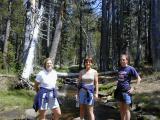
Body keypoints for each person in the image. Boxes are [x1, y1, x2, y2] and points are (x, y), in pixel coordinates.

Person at [114, 54, 141, 120]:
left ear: (127, 61)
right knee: (121, 110)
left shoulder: (130, 68)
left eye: (123, 60)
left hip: (126, 92)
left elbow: (139, 79)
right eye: (121, 60)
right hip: (119, 92)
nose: (122, 61)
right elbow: (120, 79)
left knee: (127, 110)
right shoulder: (119, 68)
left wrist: (133, 88)